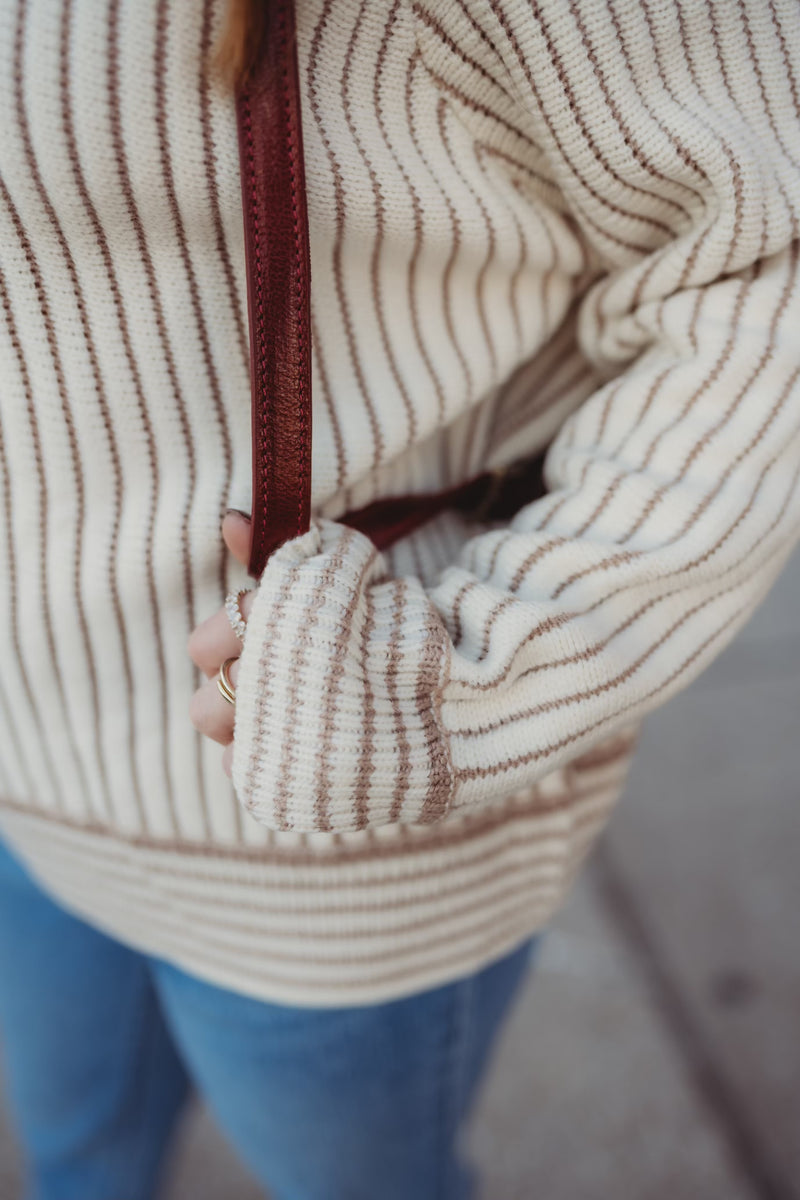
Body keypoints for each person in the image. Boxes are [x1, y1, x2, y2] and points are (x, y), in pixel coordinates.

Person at [0, 0, 797, 1197]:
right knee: (77, 1158)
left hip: (321, 845)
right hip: (26, 776)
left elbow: (759, 264)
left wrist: (463, 681)